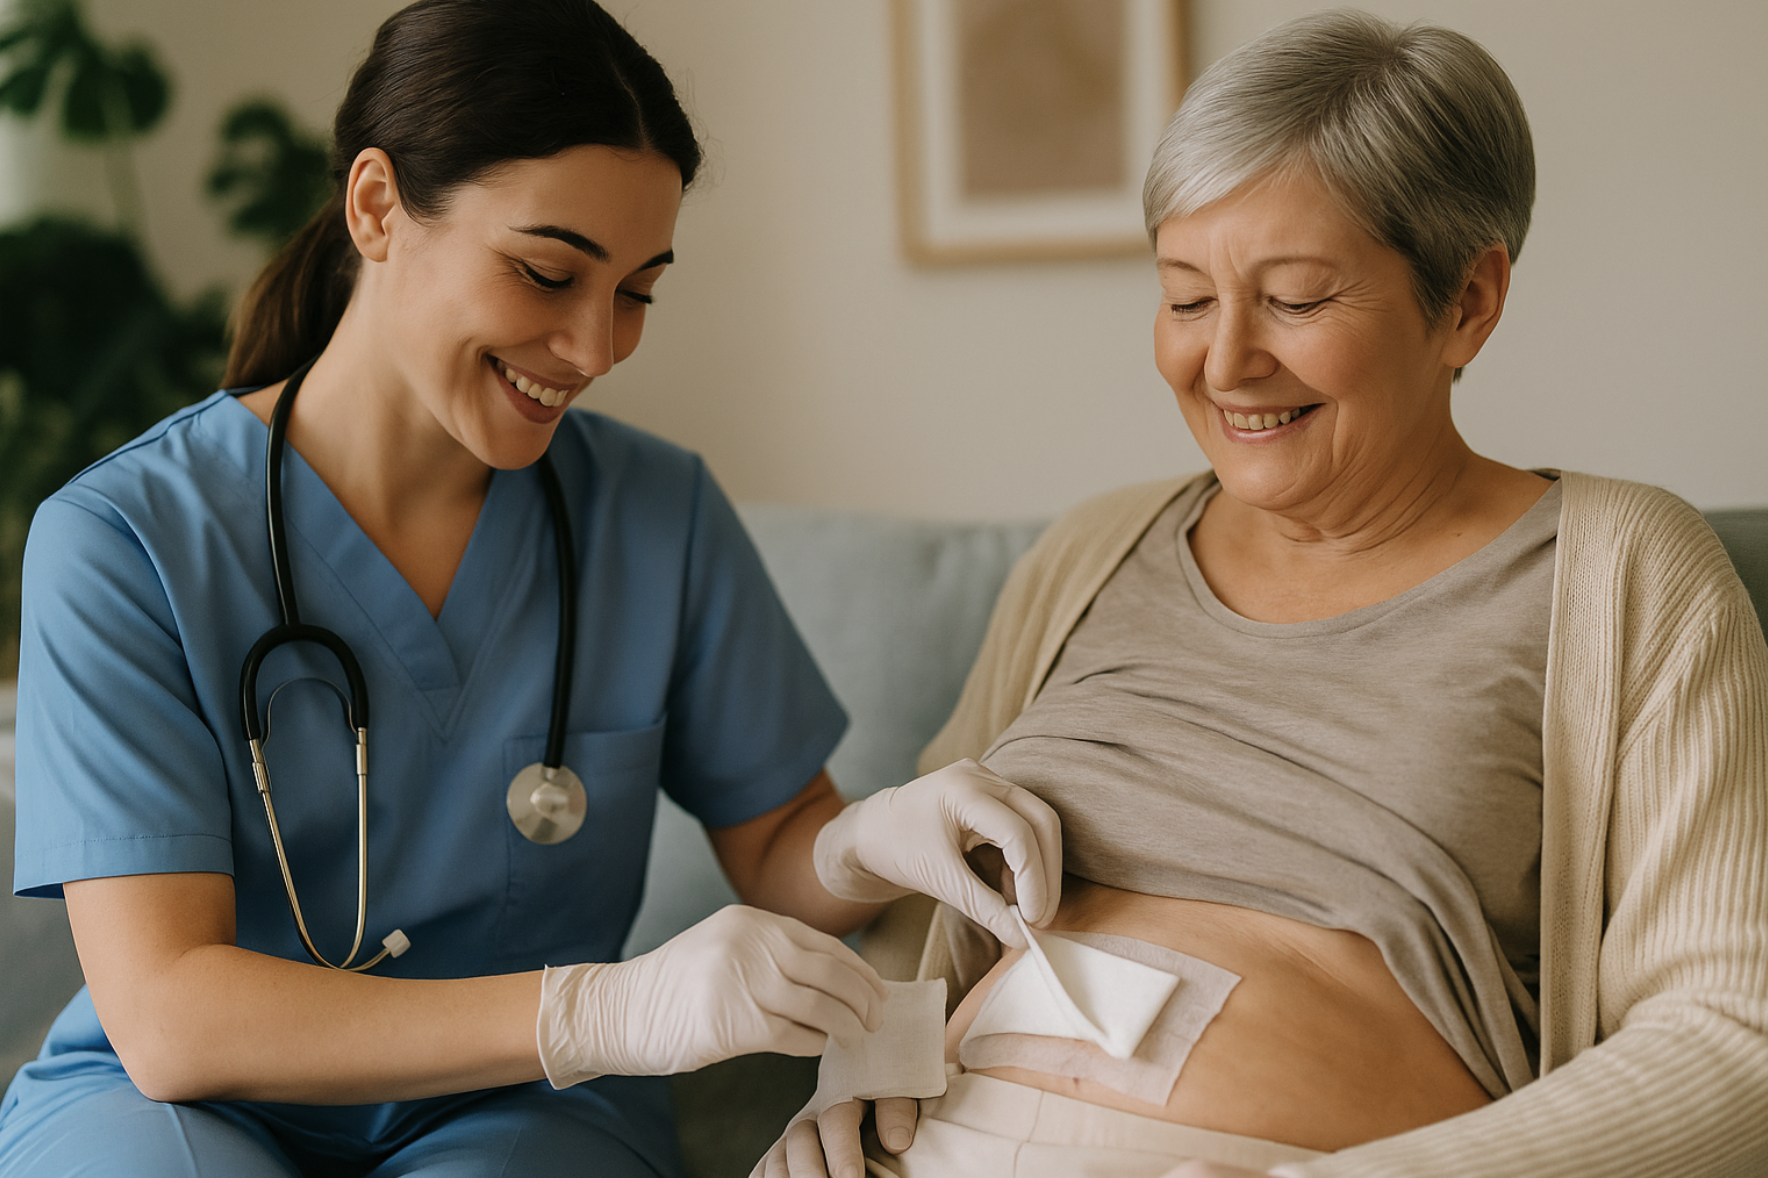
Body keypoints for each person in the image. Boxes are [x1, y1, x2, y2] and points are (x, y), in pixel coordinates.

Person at [0, 2, 1059, 1175]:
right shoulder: (123, 541)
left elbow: (777, 843)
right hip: (181, 1099)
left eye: (638, 290)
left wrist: (874, 838)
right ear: (375, 208)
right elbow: (172, 1017)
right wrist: (592, 1011)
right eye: (547, 272)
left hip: (518, 1108)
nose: (596, 347)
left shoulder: (655, 516)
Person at [763, 10, 1768, 1178]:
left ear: (1467, 302)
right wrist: (861, 1069)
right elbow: (912, 903)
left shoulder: (1628, 570)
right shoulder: (1095, 549)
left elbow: (1731, 1040)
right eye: (1186, 298)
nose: (1224, 360)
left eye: (1292, 299)